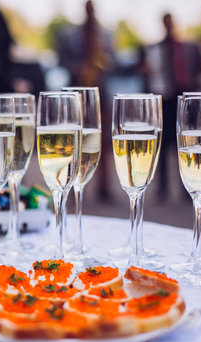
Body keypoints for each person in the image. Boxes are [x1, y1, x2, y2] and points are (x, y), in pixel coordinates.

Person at [145, 13, 201, 199]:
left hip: (184, 98)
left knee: (185, 144)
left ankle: (185, 186)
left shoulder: (187, 47)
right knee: (163, 146)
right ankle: (163, 188)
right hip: (165, 99)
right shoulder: (156, 48)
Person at [56, 0, 114, 202]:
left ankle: (104, 188)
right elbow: (61, 60)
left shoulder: (105, 35)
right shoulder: (68, 35)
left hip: (100, 94)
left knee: (102, 141)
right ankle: (72, 184)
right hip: (75, 95)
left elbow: (111, 61)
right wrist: (79, 68)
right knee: (73, 141)